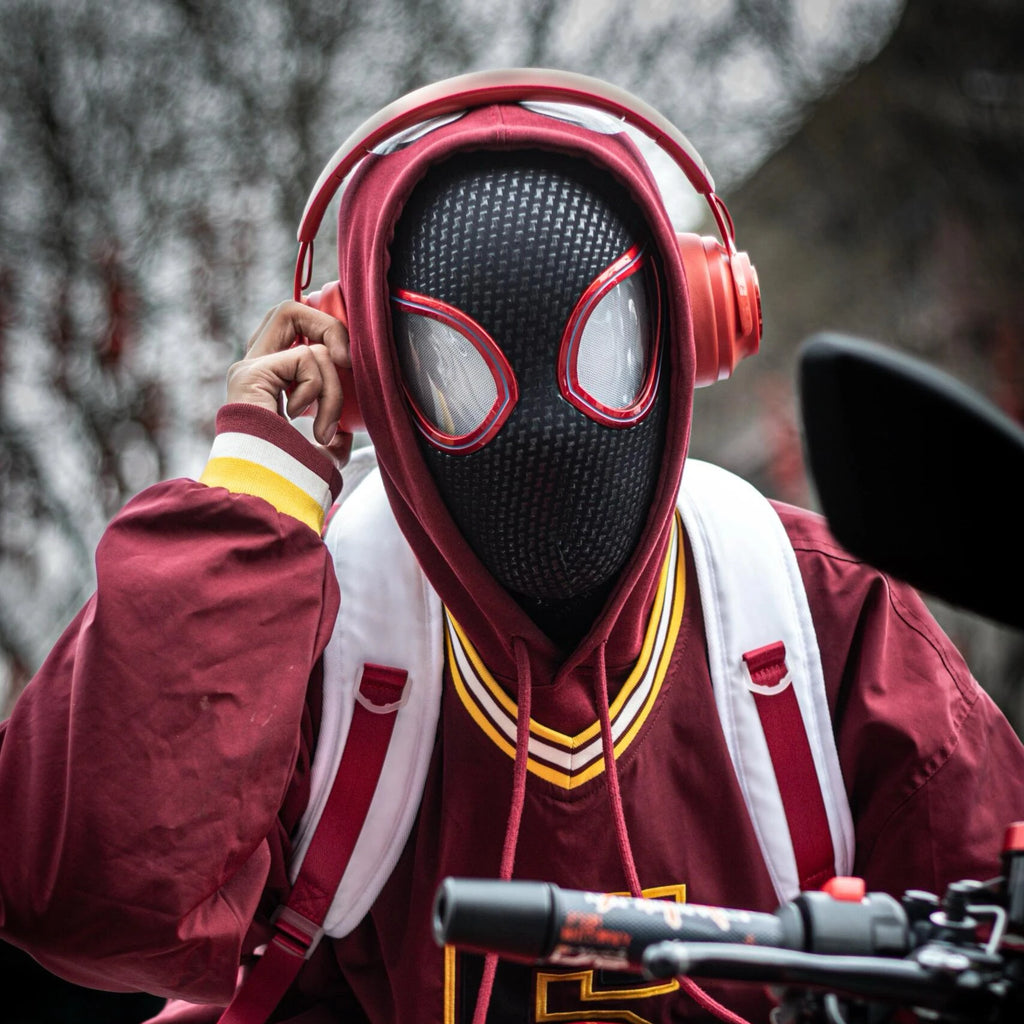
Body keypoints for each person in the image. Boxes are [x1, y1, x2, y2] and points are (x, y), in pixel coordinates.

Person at [1, 70, 1022, 1024]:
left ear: (685, 331)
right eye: (464, 372)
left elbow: (990, 912)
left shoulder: (815, 614)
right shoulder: (305, 639)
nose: (541, 429)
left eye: (600, 349)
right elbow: (98, 898)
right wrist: (256, 493)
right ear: (379, 390)